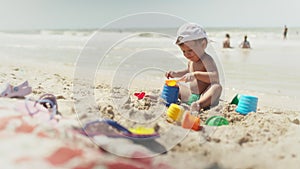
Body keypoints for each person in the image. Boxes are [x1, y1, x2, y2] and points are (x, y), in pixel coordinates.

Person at [165, 23, 222, 112]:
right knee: (174, 84)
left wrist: (196, 75)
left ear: (203, 44)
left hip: (204, 95)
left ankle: (199, 105)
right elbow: (187, 71)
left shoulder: (206, 59)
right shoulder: (191, 62)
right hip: (191, 95)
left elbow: (215, 77)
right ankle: (165, 98)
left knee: (217, 87)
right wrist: (175, 74)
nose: (187, 54)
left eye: (190, 50)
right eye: (183, 51)